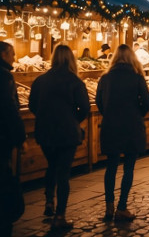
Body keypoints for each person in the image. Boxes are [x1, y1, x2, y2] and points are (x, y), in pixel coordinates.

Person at [28, 45, 90, 230]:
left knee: (52, 166)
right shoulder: (75, 81)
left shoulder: (41, 80)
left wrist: (45, 116)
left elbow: (32, 105)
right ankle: (60, 215)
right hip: (67, 133)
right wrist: (73, 120)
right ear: (71, 59)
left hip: (45, 131)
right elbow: (85, 108)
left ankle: (48, 201)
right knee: (63, 173)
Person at [96, 44, 149, 221]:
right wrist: (137, 114)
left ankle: (108, 207)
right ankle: (122, 207)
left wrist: (109, 113)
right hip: (131, 126)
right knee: (129, 167)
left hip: (111, 125)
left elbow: (99, 101)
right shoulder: (137, 77)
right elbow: (147, 102)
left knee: (111, 167)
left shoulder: (105, 77)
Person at [0, 41, 25, 236]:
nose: (14, 58)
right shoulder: (6, 77)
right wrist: (20, 137)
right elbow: (10, 109)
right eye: (12, 54)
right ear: (3, 55)